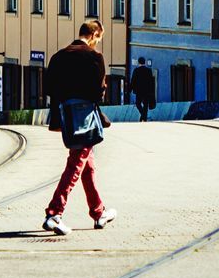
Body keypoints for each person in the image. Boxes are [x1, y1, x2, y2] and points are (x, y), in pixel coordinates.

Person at [42, 20, 117, 236]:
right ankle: (54, 213)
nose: (97, 43)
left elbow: (49, 87)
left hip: (65, 114)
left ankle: (98, 212)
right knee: (76, 163)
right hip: (84, 115)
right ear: (93, 35)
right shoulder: (95, 58)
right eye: (98, 39)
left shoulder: (59, 56)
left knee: (86, 164)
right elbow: (99, 91)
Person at [131, 57, 156, 122]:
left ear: (138, 62)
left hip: (139, 91)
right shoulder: (149, 70)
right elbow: (151, 81)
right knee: (146, 105)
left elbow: (133, 80)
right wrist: (152, 91)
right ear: (144, 62)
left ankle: (143, 116)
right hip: (147, 91)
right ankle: (144, 117)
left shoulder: (136, 70)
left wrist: (130, 89)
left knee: (138, 104)